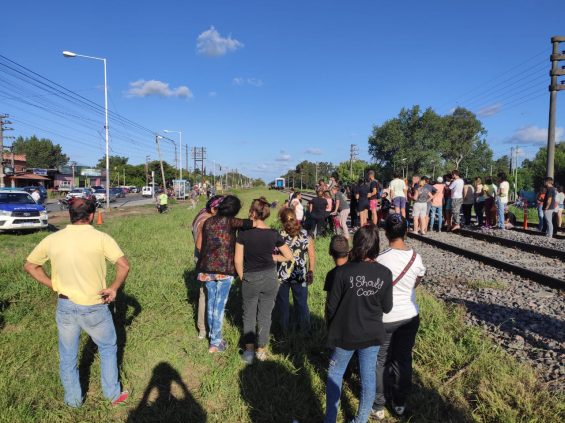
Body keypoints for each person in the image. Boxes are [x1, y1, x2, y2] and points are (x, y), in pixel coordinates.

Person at [24, 198, 130, 407]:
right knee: (108, 348)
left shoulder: (53, 239)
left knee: (68, 356)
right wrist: (113, 288)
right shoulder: (101, 238)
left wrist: (53, 284)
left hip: (65, 306)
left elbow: (30, 266)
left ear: (69, 215)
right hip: (94, 306)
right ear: (91, 216)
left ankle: (73, 402)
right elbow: (124, 266)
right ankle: (112, 395)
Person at [324, 225, 393, 423]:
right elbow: (387, 307)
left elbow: (331, 307)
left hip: (345, 333)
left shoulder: (342, 272)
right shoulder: (385, 274)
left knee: (335, 372)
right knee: (368, 377)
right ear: (376, 246)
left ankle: (330, 419)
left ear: (356, 244)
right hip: (372, 334)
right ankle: (361, 420)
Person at [371, 214, 425, 420]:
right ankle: (400, 403)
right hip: (409, 316)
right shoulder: (415, 257)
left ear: (386, 233)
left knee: (380, 361)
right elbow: (416, 281)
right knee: (402, 359)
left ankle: (378, 405)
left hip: (385, 318)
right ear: (406, 231)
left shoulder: (380, 259)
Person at [235, 198, 293, 364]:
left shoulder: (243, 234)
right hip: (270, 277)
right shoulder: (273, 234)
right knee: (265, 315)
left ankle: (249, 352)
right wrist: (273, 257)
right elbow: (288, 256)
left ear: (253, 213)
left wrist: (242, 277)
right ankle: (262, 350)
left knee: (249, 315)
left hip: (250, 277)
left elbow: (238, 260)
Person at [196, 195, 255, 353]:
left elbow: (201, 244)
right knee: (219, 306)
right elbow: (250, 224)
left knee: (211, 303)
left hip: (206, 269)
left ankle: (213, 337)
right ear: (234, 210)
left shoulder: (208, 221)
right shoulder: (232, 222)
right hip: (224, 269)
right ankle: (215, 342)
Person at [274, 208, 316, 334]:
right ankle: (305, 330)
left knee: (283, 305)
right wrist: (310, 271)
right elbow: (312, 256)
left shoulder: (278, 235)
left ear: (282, 221)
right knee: (302, 304)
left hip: (281, 276)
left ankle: (284, 331)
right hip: (300, 275)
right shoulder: (306, 235)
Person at [192, 195, 224, 339]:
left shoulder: (201, 214)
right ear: (213, 208)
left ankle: (203, 329)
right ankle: (206, 329)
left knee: (204, 292)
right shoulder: (208, 221)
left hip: (201, 260)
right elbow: (200, 246)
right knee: (210, 294)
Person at [323, 235, 350, 319]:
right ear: (347, 251)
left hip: (339, 321)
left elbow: (330, 304)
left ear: (330, 252)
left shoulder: (332, 275)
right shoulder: (357, 269)